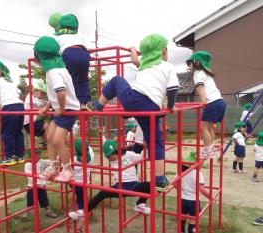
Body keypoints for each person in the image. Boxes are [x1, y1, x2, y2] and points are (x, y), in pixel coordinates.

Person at [94, 34, 179, 191]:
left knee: (116, 80)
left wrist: (133, 49)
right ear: (164, 51)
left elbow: (134, 60)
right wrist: (171, 106)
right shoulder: (167, 67)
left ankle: (98, 106)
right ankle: (159, 178)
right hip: (151, 107)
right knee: (155, 142)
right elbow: (173, 88)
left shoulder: (144, 65)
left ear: (146, 54)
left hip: (133, 101)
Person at [69, 140, 151, 233]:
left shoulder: (129, 155)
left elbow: (141, 157)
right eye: (107, 156)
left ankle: (139, 204)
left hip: (133, 185)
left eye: (109, 155)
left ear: (116, 151)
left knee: (149, 185)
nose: (108, 158)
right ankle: (84, 211)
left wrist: (146, 147)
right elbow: (105, 143)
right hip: (119, 186)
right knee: (102, 193)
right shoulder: (112, 160)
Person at [33, 36, 80, 183]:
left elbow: (61, 92)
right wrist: (47, 106)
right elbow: (54, 94)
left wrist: (60, 108)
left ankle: (67, 169)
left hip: (68, 110)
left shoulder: (54, 72)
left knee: (58, 140)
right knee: (49, 137)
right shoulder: (56, 69)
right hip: (60, 109)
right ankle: (53, 165)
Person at [186, 51, 226, 160]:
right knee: (210, 126)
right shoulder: (206, 73)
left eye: (189, 63)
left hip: (212, 102)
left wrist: (203, 102)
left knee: (203, 127)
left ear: (196, 63)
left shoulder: (198, 74)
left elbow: (200, 88)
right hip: (220, 102)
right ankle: (211, 149)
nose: (188, 66)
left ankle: (208, 150)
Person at [49, 13, 91, 110]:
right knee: (83, 79)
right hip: (83, 54)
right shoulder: (79, 35)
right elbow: (88, 47)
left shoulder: (58, 37)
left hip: (68, 53)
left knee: (65, 79)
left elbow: (54, 50)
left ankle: (63, 103)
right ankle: (83, 103)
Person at [173, 151, 210, 233]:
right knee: (193, 220)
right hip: (193, 201)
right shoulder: (197, 174)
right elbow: (201, 188)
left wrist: (180, 190)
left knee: (183, 217)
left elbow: (174, 183)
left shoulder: (181, 173)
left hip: (182, 199)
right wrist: (210, 196)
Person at [23, 149, 57, 218]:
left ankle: (48, 211)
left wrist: (57, 160)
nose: (39, 155)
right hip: (32, 185)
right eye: (37, 154)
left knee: (44, 199)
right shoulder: (28, 164)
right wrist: (36, 182)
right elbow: (29, 175)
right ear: (32, 155)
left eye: (39, 153)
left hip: (41, 185)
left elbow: (50, 162)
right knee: (30, 200)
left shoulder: (41, 161)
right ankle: (27, 212)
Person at [68, 139, 95, 220]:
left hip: (77, 183)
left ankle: (81, 212)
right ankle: (82, 208)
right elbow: (89, 147)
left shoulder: (74, 159)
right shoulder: (91, 155)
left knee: (80, 197)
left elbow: (66, 166)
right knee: (81, 195)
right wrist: (85, 144)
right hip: (86, 182)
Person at [23, 79, 49, 146]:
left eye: (44, 93)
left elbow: (44, 105)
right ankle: (46, 142)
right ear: (35, 91)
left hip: (36, 121)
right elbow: (41, 105)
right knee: (47, 125)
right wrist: (47, 105)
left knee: (49, 124)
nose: (43, 95)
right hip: (29, 123)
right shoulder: (30, 98)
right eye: (42, 93)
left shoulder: (39, 99)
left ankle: (44, 141)